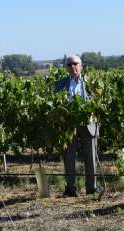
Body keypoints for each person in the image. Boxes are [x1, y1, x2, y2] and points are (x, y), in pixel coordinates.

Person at [54, 55, 94, 197]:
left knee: (90, 157)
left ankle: (91, 188)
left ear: (81, 66)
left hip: (88, 124)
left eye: (75, 64)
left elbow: (97, 101)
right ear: (66, 68)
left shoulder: (90, 83)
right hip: (68, 125)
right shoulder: (59, 84)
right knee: (69, 157)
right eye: (69, 64)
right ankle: (70, 188)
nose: (73, 67)